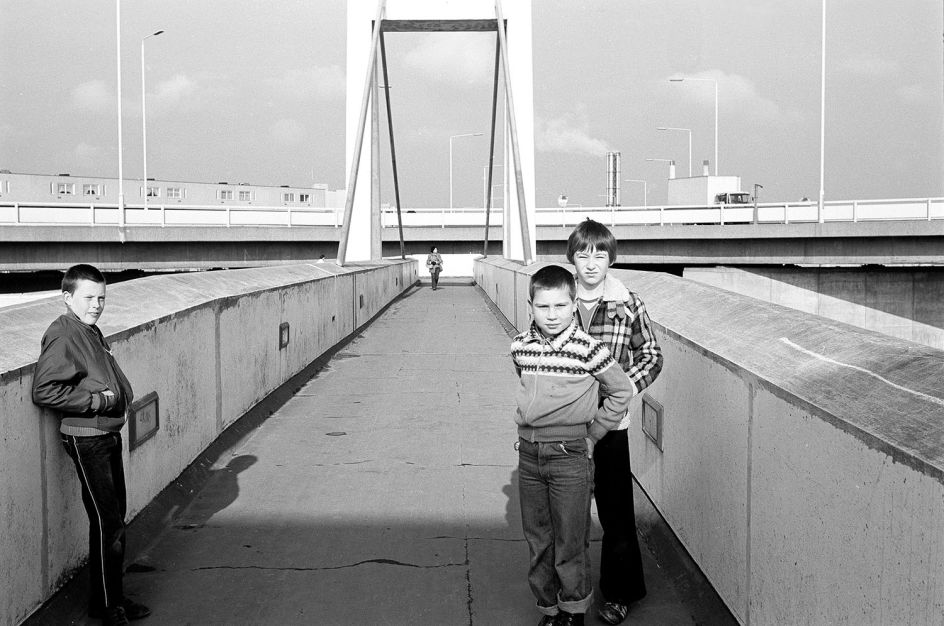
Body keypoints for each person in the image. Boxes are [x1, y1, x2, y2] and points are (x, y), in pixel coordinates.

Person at [511, 264, 636, 626]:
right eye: (543, 307)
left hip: (570, 456)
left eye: (561, 306)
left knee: (570, 539)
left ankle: (573, 611)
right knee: (538, 539)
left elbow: (621, 390)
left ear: (573, 304)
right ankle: (548, 609)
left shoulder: (588, 348)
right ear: (530, 305)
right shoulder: (521, 346)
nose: (552, 315)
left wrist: (594, 433)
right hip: (531, 456)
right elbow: (529, 388)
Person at [32, 264, 149, 626]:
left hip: (105, 433)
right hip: (87, 438)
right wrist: (97, 402)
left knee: (114, 520)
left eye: (101, 298)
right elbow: (44, 389)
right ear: (67, 297)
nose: (96, 304)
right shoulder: (63, 333)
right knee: (107, 522)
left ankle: (111, 597)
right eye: (89, 298)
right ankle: (106, 607)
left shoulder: (88, 329)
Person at [566, 219, 663, 625]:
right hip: (565, 422)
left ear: (611, 258)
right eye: (584, 254)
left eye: (600, 254)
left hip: (610, 425)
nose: (591, 263)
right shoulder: (558, 296)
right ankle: (567, 594)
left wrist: (623, 388)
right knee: (565, 513)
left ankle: (620, 593)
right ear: (572, 256)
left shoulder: (628, 302)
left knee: (616, 512)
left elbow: (652, 355)